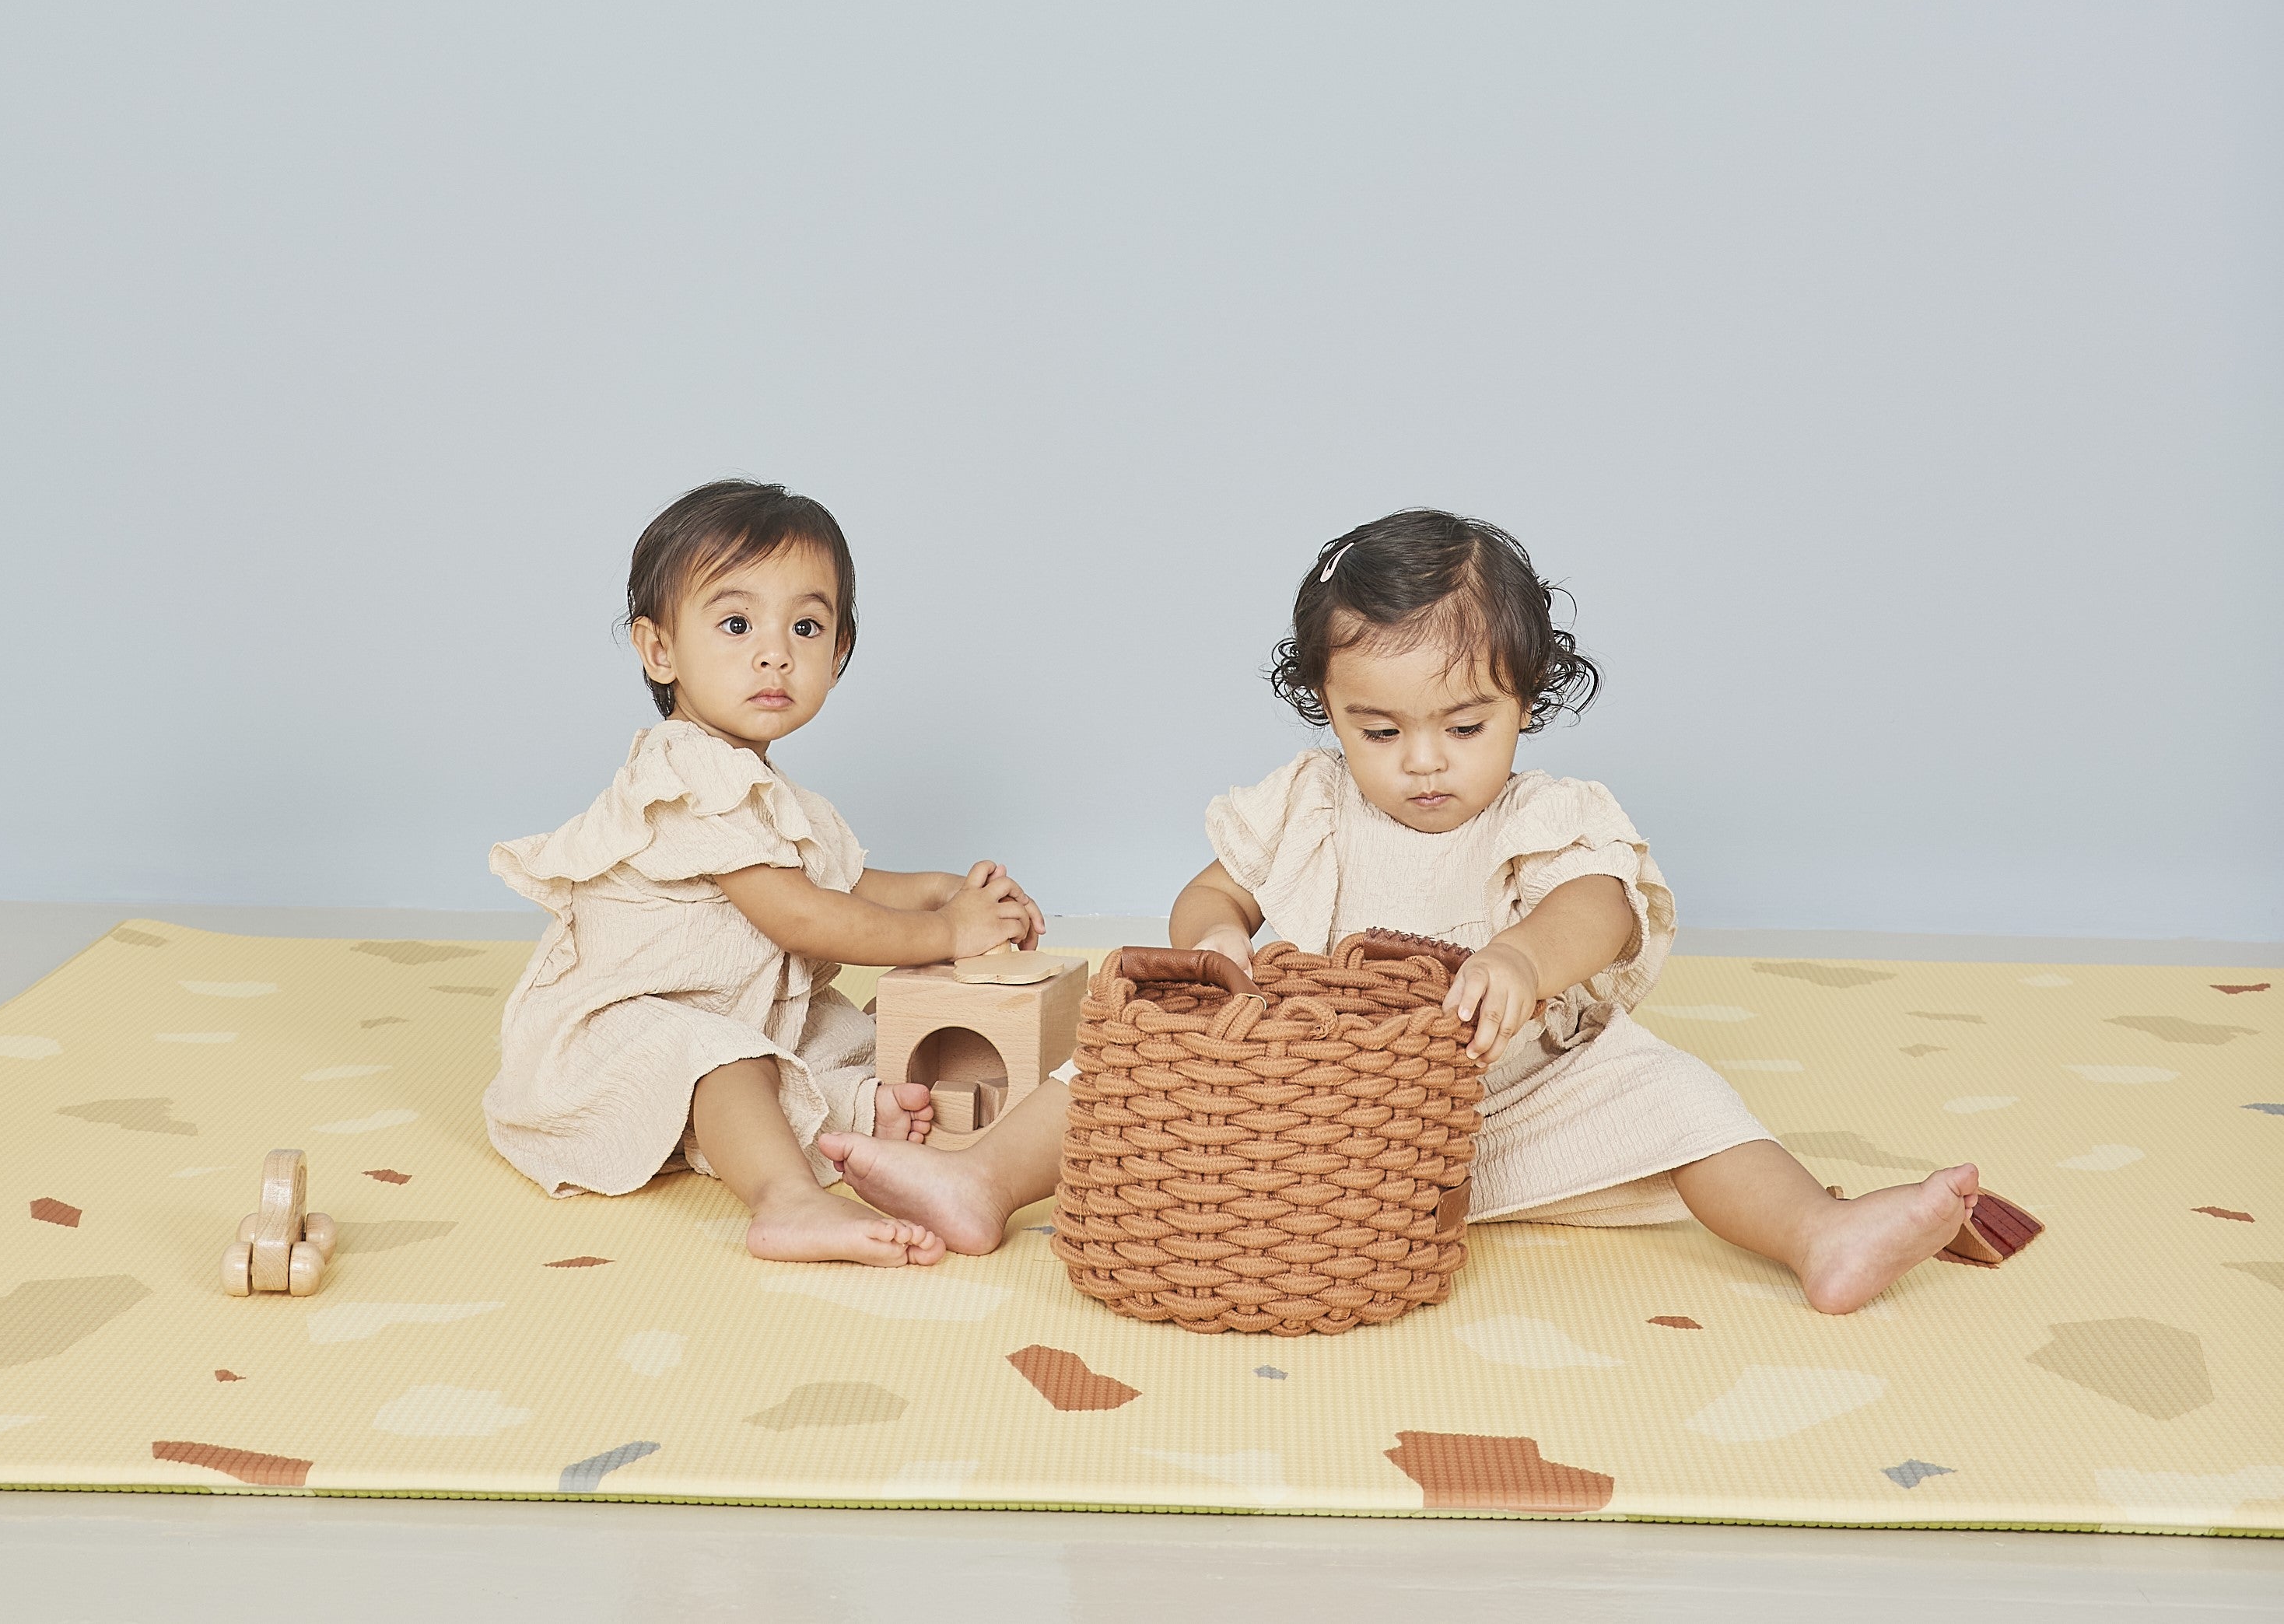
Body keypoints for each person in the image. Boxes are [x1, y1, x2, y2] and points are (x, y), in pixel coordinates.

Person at [825, 507, 1978, 1313]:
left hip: (1512, 1088)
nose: (1422, 762)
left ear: (1527, 699)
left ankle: (1815, 1235)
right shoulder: (1307, 802)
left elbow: (1601, 908)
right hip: (1321, 1105)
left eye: (1463, 725)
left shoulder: (1544, 811)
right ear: (1325, 707)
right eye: (1377, 730)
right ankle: (982, 1182)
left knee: (1680, 1096)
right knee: (1124, 1074)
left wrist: (1525, 957)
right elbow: (1212, 887)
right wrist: (1214, 938)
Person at [483, 478, 1042, 1268]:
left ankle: (862, 1116)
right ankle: (787, 1201)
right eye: (737, 622)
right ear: (659, 648)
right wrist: (947, 929)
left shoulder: (770, 791)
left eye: (806, 626)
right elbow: (800, 916)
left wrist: (943, 887)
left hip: (734, 1010)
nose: (774, 651)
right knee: (721, 1053)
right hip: (625, 1028)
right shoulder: (687, 770)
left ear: (839, 651)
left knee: (844, 1030)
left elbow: (840, 883)